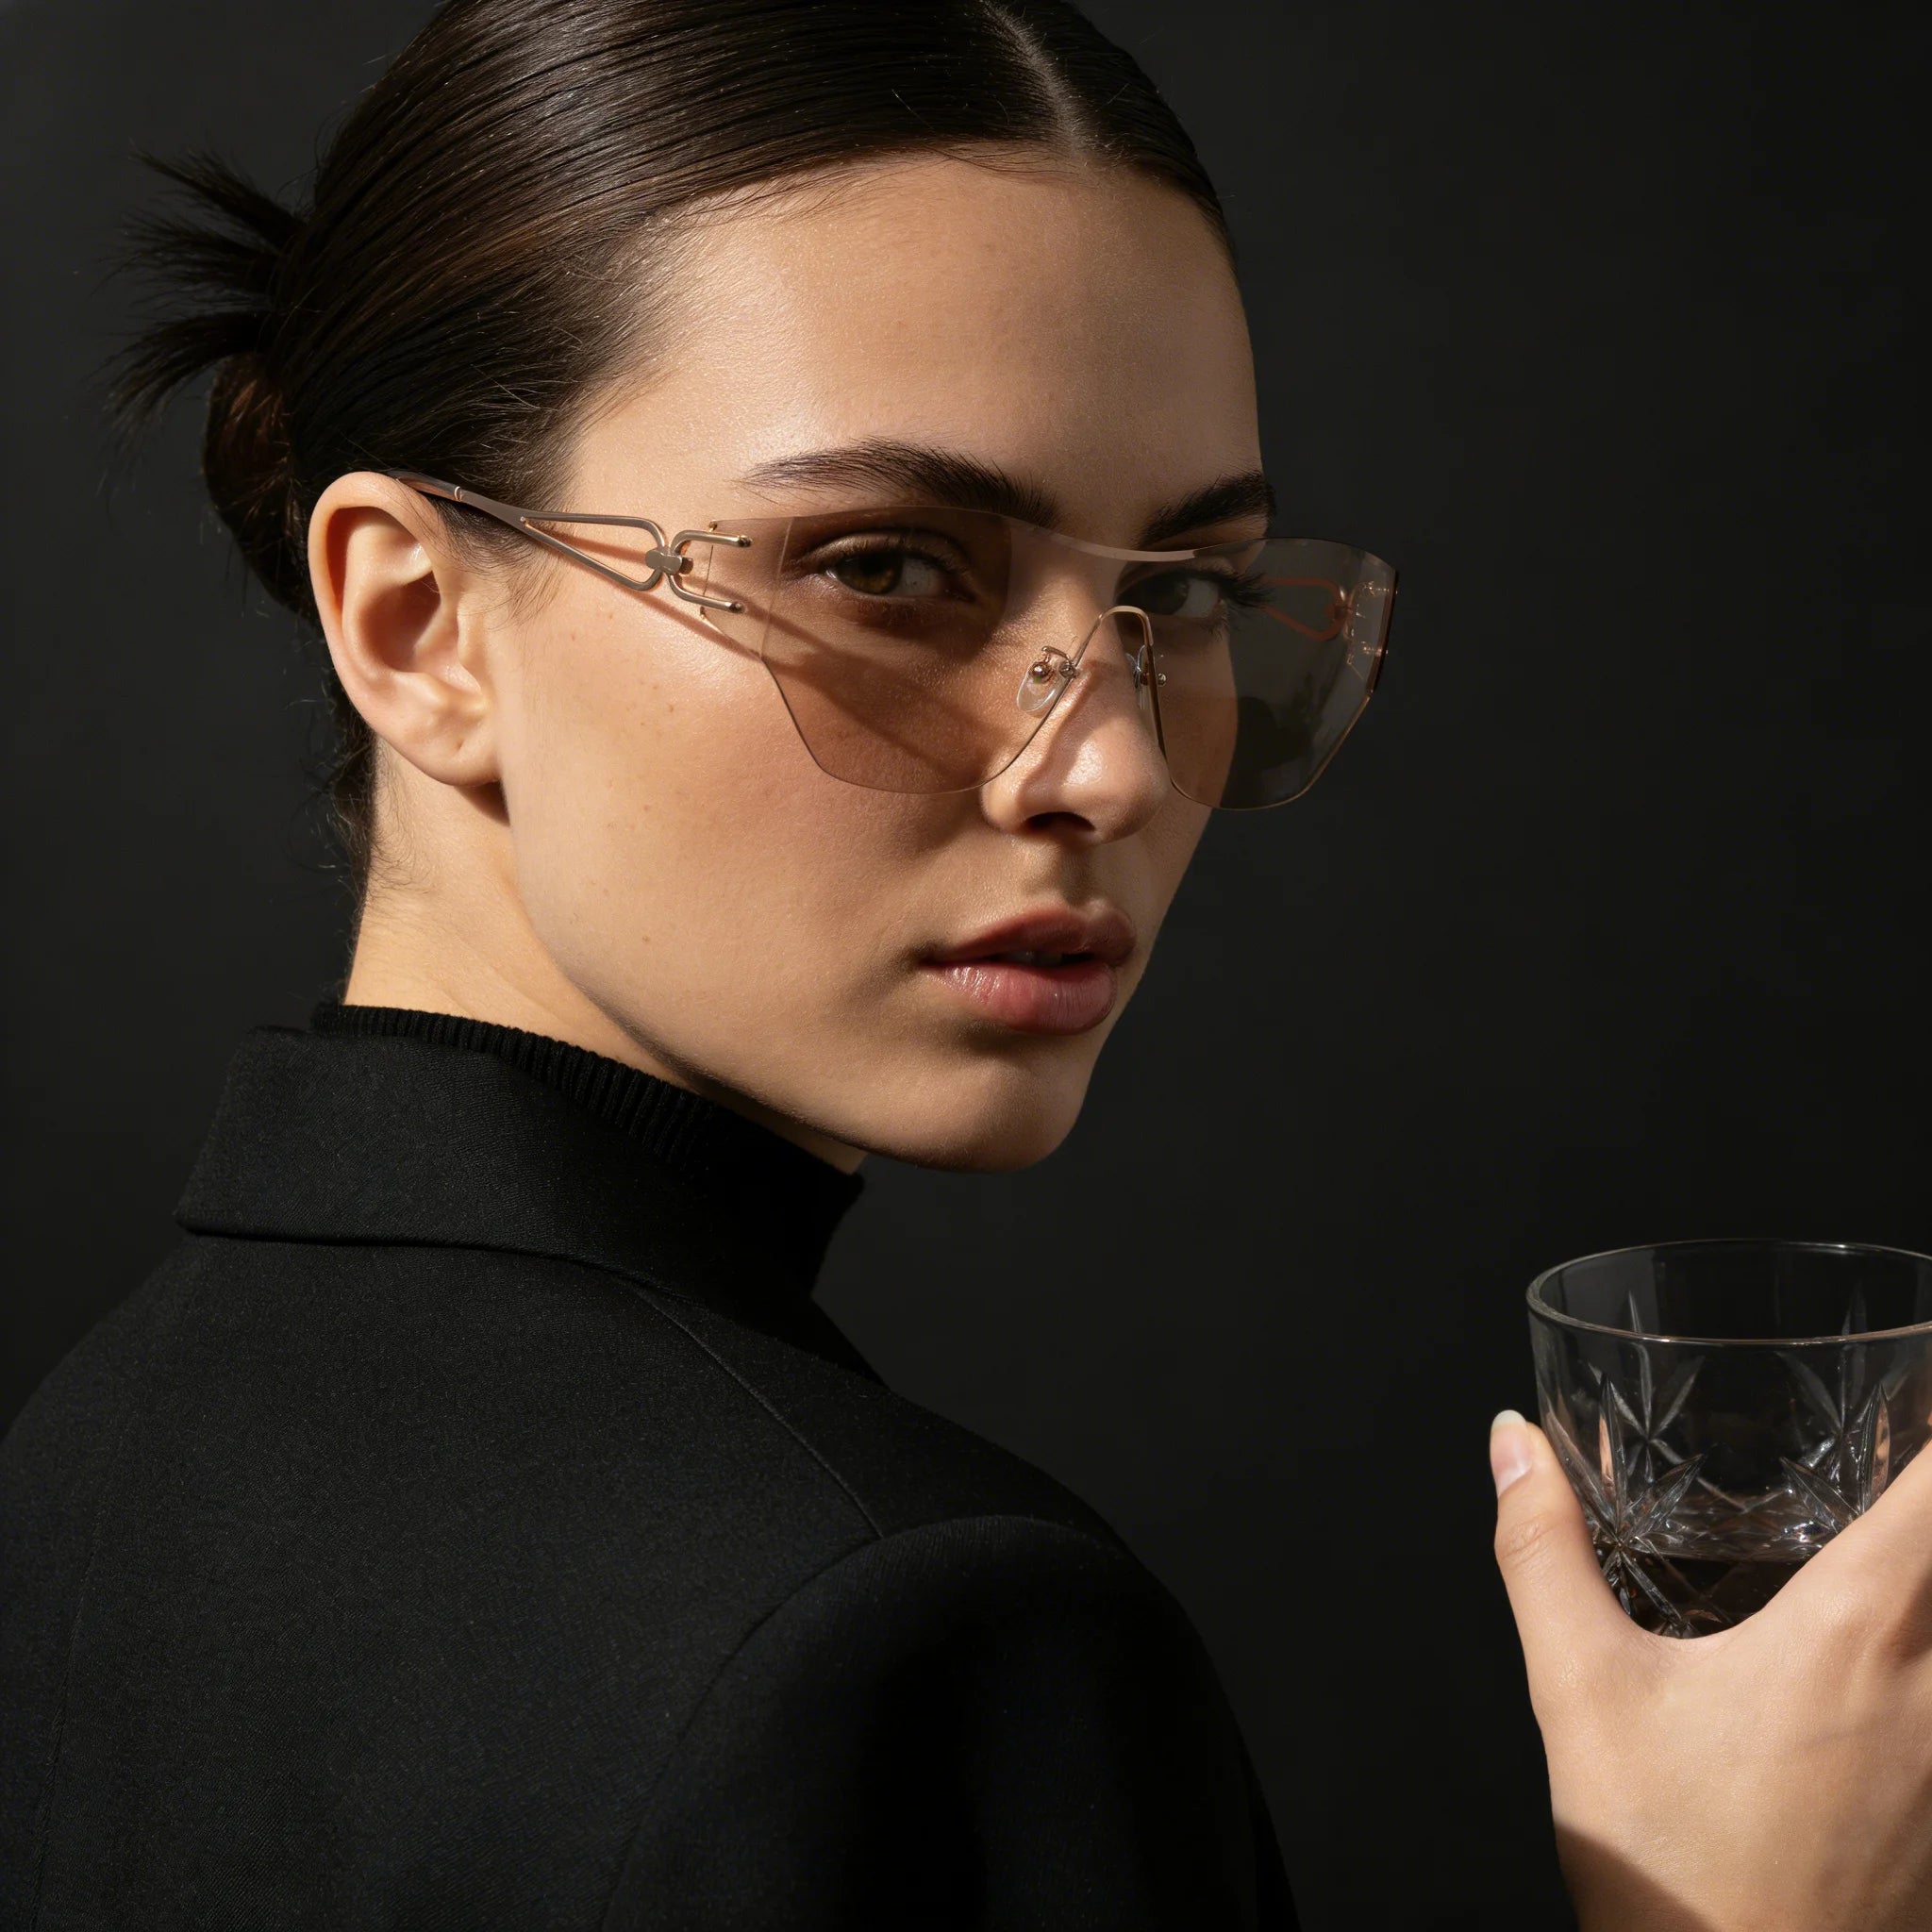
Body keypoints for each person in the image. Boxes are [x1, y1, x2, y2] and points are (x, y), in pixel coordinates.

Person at [3, 2, 1928, 1927]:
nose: (1104, 762)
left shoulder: (83, 1469)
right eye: (885, 567)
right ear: (418, 622)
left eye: (1187, 598)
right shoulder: (914, 1638)